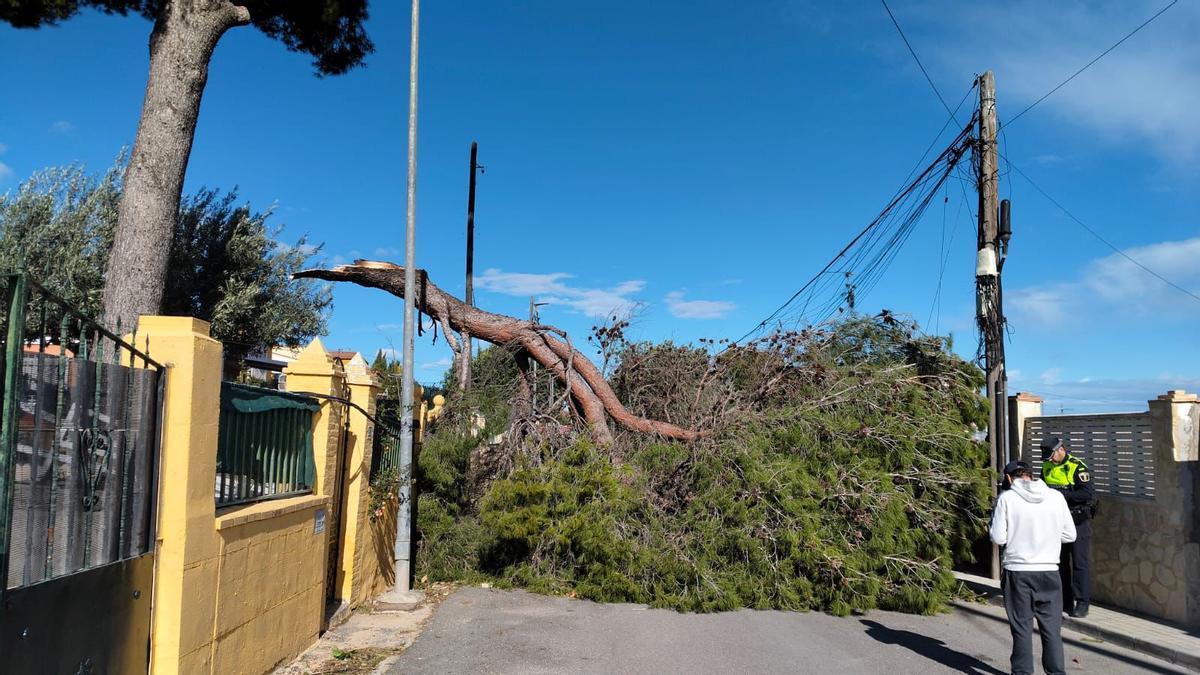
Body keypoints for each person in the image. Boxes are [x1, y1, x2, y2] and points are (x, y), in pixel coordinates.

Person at [991, 460, 1077, 675]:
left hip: (1018, 571)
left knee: (1022, 628)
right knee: (1051, 630)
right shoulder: (1056, 497)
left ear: (1009, 478)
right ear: (1032, 475)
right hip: (1049, 570)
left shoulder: (1007, 499)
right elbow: (1070, 535)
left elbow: (998, 537)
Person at [1040, 436, 1095, 618]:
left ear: (1060, 449)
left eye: (1051, 456)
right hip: (1056, 521)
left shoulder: (1076, 466)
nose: (1049, 460)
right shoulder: (1047, 466)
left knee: (1079, 563)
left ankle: (1082, 602)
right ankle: (1065, 601)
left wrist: (1061, 494)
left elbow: (1087, 493)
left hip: (1077, 520)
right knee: (1060, 562)